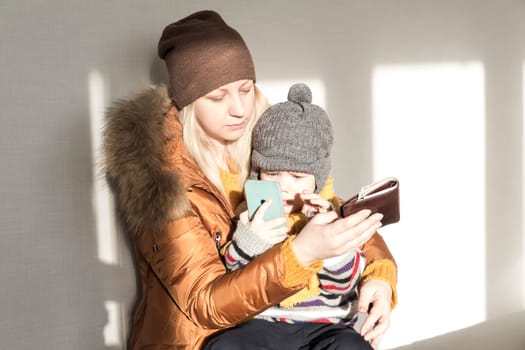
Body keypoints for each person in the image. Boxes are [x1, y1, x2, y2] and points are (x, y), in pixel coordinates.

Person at [103, 10, 397, 350]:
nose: (239, 109)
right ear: (188, 103)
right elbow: (205, 305)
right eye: (217, 97)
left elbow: (331, 208)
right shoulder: (160, 179)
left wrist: (381, 275)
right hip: (207, 340)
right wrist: (300, 252)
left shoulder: (263, 137)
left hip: (301, 329)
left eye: (245, 89)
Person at [221, 83, 380, 349]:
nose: (283, 185)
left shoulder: (330, 216)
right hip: (263, 324)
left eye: (296, 177)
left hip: (326, 326)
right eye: (271, 174)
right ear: (257, 172)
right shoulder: (252, 214)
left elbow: (342, 287)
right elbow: (234, 279)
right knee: (225, 345)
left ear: (316, 179)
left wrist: (332, 249)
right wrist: (250, 240)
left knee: (352, 346)